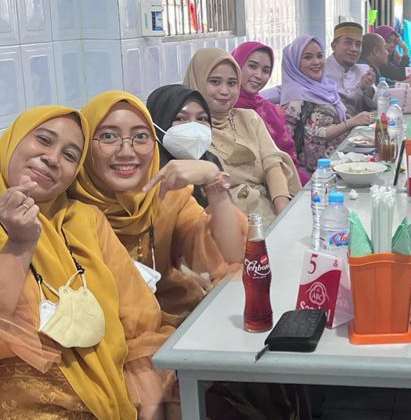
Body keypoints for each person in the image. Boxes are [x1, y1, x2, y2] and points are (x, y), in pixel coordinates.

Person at [0, 106, 173, 418]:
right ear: (13, 141)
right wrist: (20, 245)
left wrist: (150, 404)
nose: (53, 159)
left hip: (112, 400)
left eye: (70, 155)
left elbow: (137, 318)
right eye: (43, 140)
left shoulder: (84, 221)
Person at [70, 90, 246, 327]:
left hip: (175, 320)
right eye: (108, 136)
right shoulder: (66, 212)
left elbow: (231, 256)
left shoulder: (166, 197)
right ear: (84, 146)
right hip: (107, 334)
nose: (126, 152)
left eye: (141, 136)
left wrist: (214, 182)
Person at [184, 48, 302, 225]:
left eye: (232, 83)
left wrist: (283, 217)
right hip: (222, 222)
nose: (225, 91)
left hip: (266, 211)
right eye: (215, 82)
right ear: (197, 80)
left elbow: (273, 164)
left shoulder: (249, 118)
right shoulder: (186, 130)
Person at [281, 35, 374, 172]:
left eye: (320, 56)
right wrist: (351, 122)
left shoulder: (324, 87)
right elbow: (313, 136)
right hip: (317, 173)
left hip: (339, 162)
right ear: (294, 63)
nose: (316, 62)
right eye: (307, 57)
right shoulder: (296, 96)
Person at [231, 41, 310, 184]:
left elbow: (288, 155)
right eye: (252, 66)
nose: (259, 75)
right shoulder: (223, 109)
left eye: (265, 70)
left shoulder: (270, 110)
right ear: (236, 65)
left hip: (283, 177)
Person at [146, 84, 223, 207]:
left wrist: (214, 180)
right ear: (156, 122)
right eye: (180, 119)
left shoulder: (210, 161)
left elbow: (227, 215)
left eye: (202, 118)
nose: (194, 127)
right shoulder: (145, 169)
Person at [324, 22, 377, 116]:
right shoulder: (321, 70)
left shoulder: (364, 71)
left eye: (358, 44)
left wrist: (367, 89)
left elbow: (377, 103)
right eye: (348, 43)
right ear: (334, 46)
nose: (354, 49)